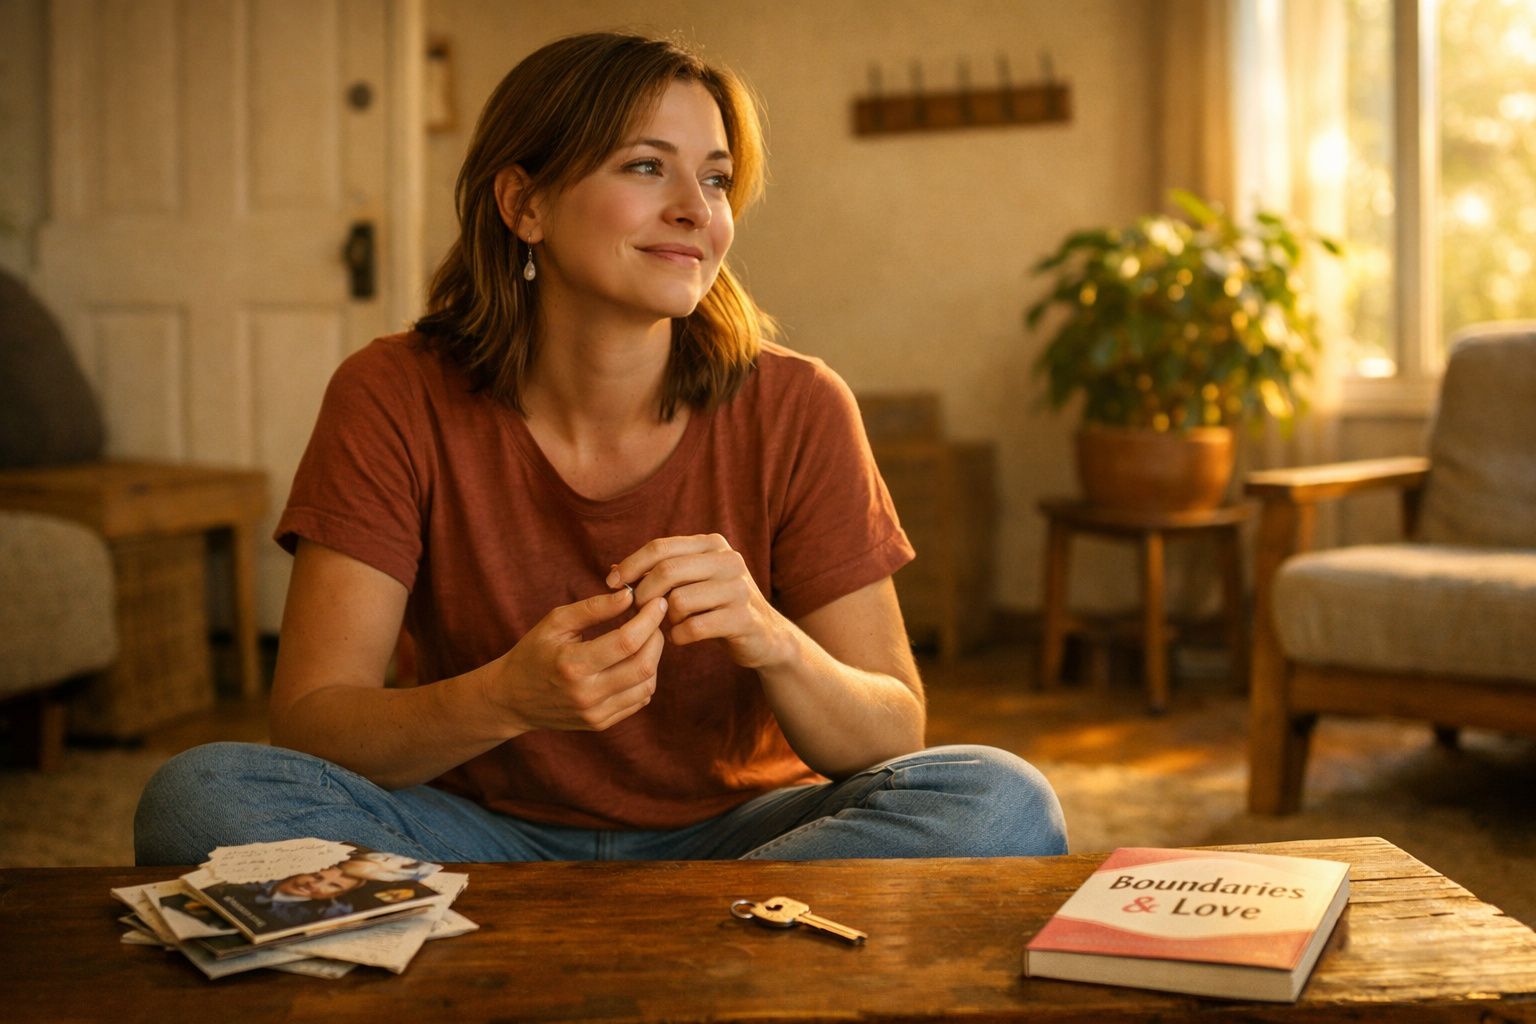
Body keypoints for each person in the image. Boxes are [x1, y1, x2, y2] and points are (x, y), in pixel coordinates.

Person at [134, 31, 1066, 865]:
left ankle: (567, 943)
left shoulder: (799, 405)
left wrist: (770, 639)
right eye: (646, 168)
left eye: (714, 177)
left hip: (740, 838)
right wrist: (506, 698)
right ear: (524, 204)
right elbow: (311, 723)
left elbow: (896, 730)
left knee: (998, 801)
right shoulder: (393, 393)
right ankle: (715, 955)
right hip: (473, 836)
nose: (697, 210)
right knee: (202, 797)